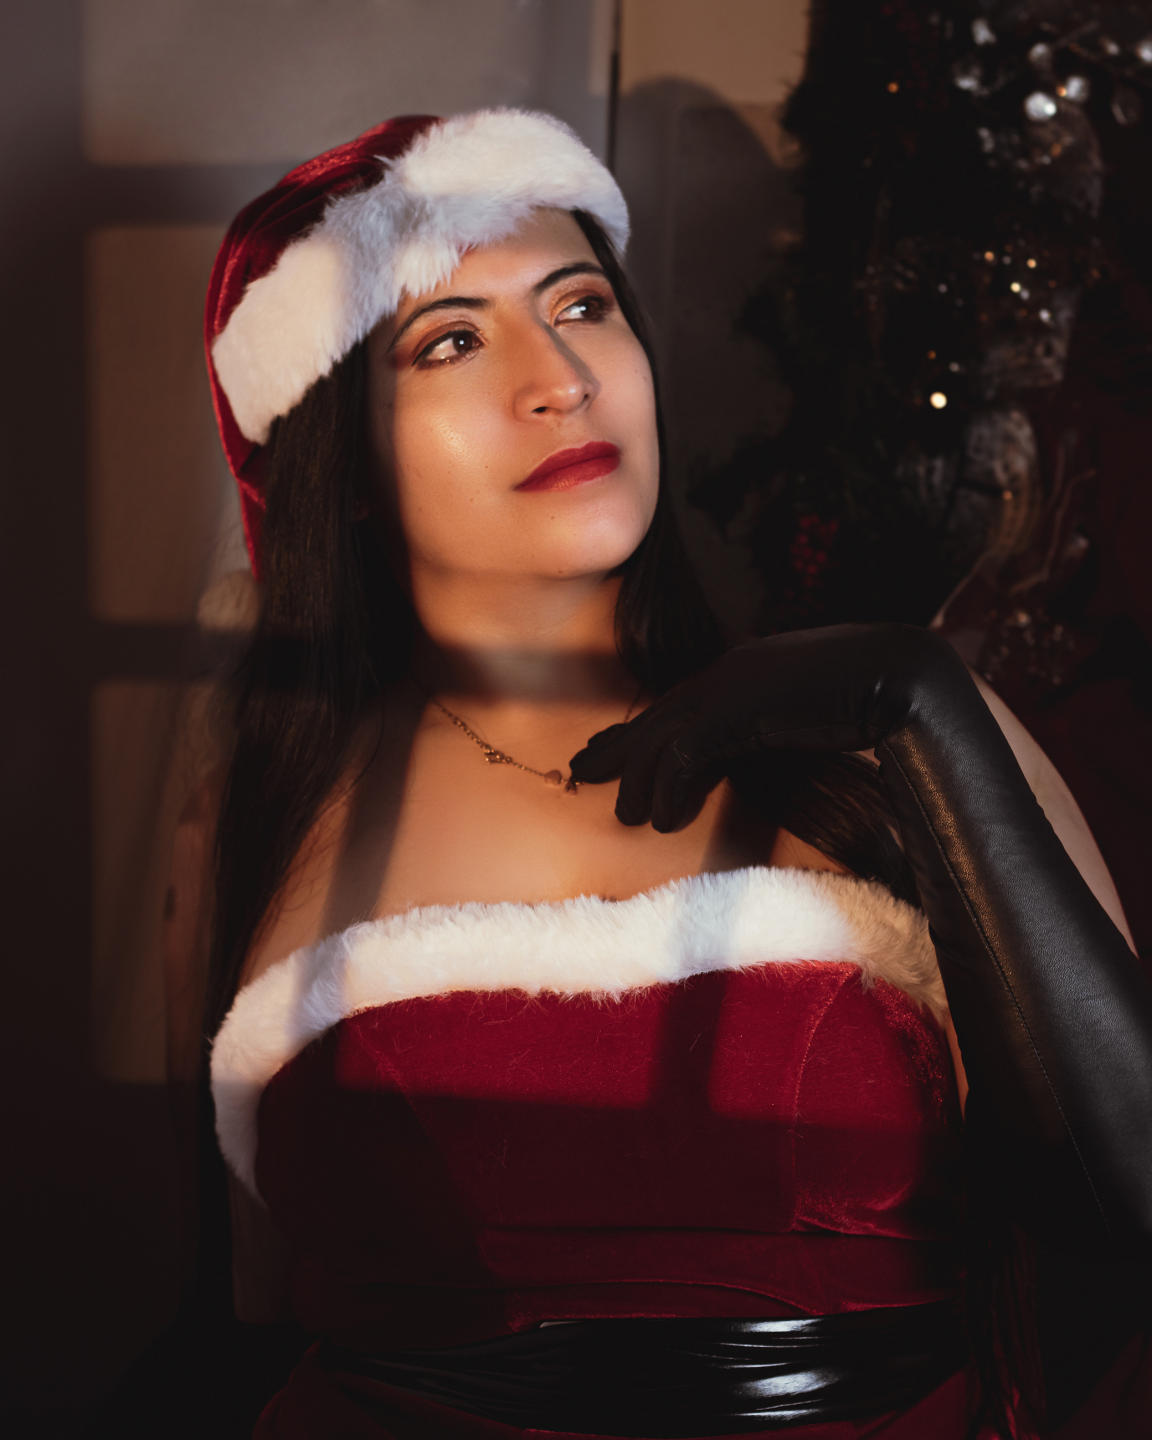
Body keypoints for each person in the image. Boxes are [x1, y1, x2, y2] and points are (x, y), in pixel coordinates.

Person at [176, 108, 1152, 1438]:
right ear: (337, 464)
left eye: (581, 305)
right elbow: (236, 1304)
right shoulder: (264, 809)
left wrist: (931, 709)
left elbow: (1127, 1207)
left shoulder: (900, 733)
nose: (559, 379)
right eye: (451, 340)